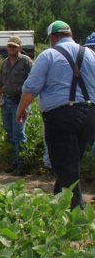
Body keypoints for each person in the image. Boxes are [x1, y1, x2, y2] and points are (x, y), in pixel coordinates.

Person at [17, 21, 95, 210]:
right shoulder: (91, 55)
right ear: (70, 34)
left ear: (52, 38)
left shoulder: (49, 55)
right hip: (89, 115)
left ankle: (76, 215)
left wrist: (21, 109)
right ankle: (58, 206)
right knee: (70, 162)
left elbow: (31, 87)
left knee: (66, 166)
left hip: (61, 116)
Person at [0, 36, 33, 175]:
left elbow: (32, 83)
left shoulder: (26, 61)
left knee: (19, 132)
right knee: (9, 132)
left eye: (14, 47)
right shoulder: (4, 63)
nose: (11, 49)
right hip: (7, 101)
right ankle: (14, 162)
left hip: (19, 102)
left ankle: (22, 163)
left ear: (20, 48)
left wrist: (26, 104)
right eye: (9, 46)